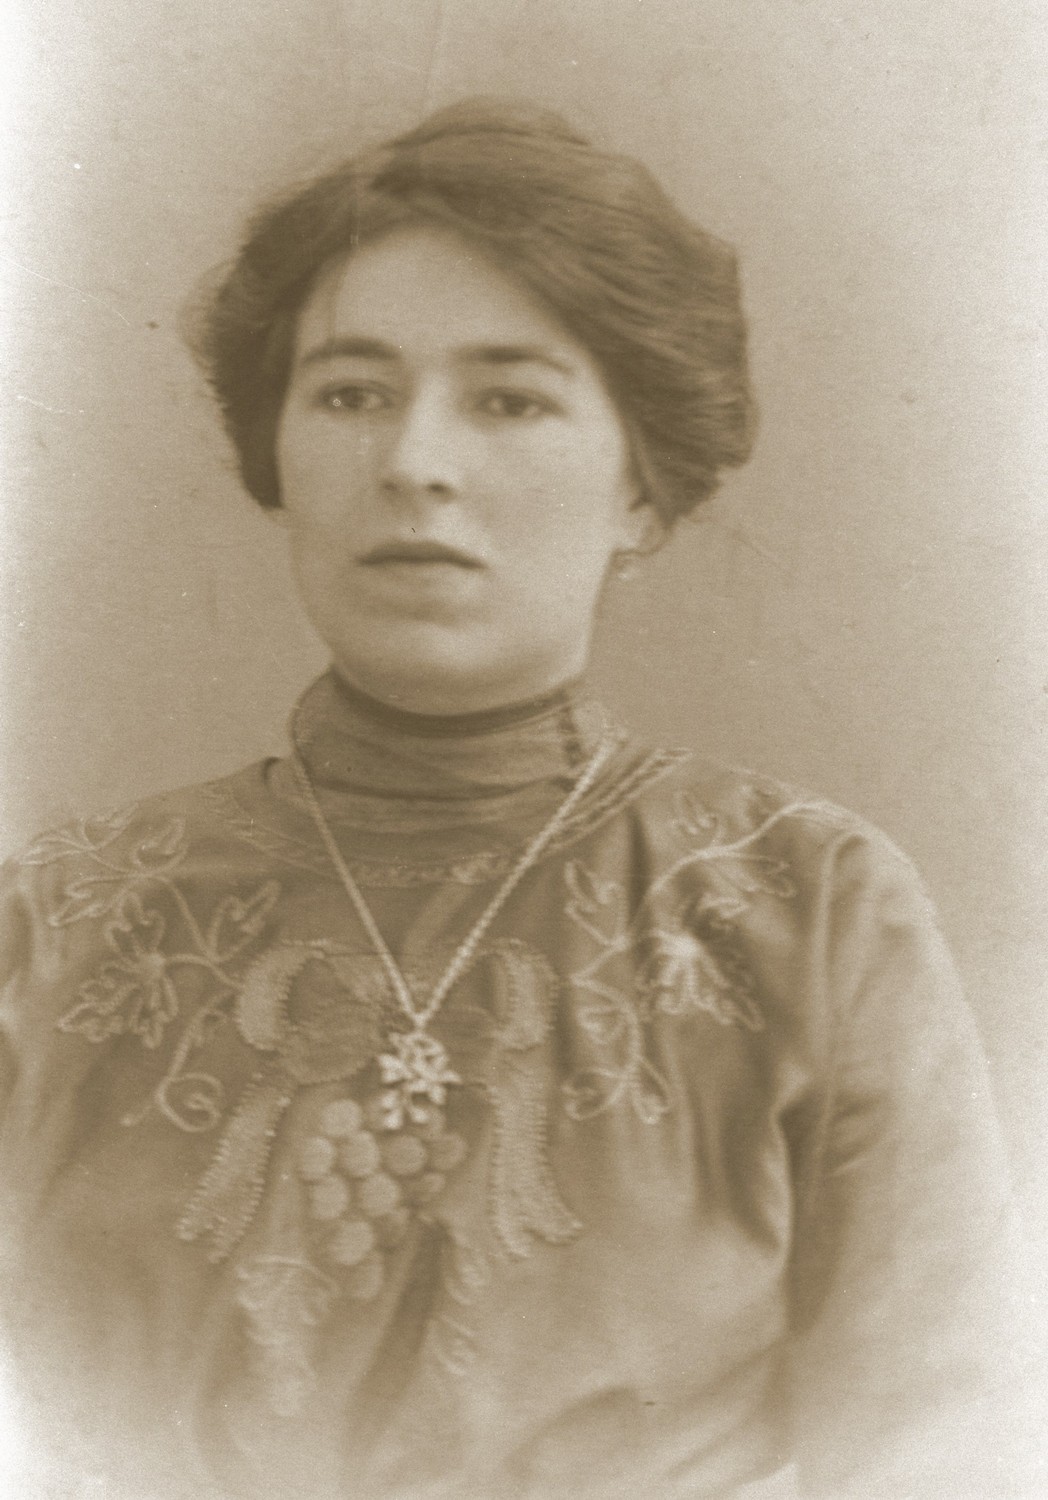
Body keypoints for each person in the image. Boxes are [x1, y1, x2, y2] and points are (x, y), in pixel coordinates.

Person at [0, 98, 1030, 1500]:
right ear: (276, 458)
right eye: (350, 393)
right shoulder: (59, 926)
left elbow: (946, 1454)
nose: (413, 463)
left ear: (641, 492)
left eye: (510, 400)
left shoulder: (812, 913)